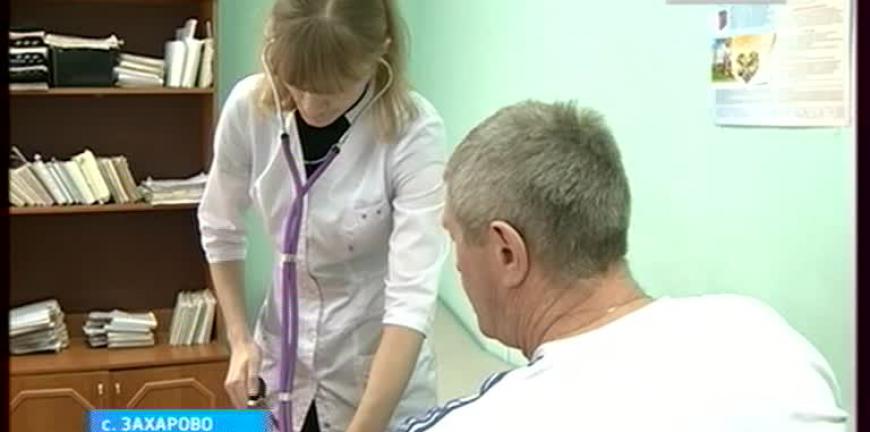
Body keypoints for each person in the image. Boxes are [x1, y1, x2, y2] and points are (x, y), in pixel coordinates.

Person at [399, 101, 848, 431]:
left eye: (456, 238)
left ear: (507, 253)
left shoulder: (490, 421)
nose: (457, 265)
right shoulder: (766, 335)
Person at [197, 1, 448, 431]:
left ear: (380, 53)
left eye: (333, 90)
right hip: (283, 368)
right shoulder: (248, 109)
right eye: (297, 84)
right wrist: (239, 340)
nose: (311, 105)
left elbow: (411, 301)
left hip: (373, 380)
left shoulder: (415, 132)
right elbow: (220, 227)